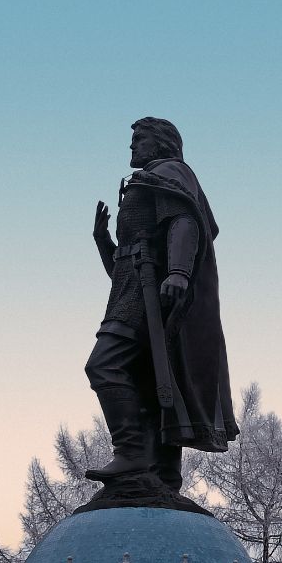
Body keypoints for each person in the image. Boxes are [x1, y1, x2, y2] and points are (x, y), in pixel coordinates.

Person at [84, 117, 238, 492]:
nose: (132, 146)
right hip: (132, 290)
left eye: (139, 139)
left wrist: (180, 273)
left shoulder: (170, 171)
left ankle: (132, 451)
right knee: (151, 382)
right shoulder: (150, 177)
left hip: (145, 297)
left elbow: (184, 221)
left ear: (162, 143)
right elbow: (125, 266)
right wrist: (103, 242)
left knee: (104, 365)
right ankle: (162, 474)